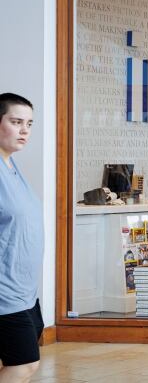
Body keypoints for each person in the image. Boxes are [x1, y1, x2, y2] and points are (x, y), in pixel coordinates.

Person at [0, 93, 44, 383]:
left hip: (25, 291)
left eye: (29, 123)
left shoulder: (11, 165)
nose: (24, 130)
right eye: (16, 122)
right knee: (25, 363)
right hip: (5, 294)